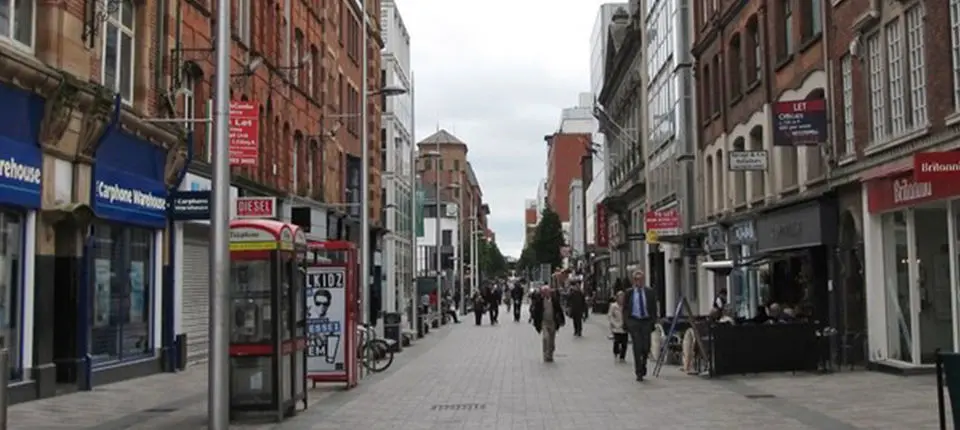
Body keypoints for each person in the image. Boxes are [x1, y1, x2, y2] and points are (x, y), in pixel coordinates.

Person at [622, 269, 659, 381]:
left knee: (646, 346)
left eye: (641, 279)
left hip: (646, 321)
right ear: (633, 281)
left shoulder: (650, 292)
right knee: (637, 346)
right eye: (636, 279)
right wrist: (627, 322)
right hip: (634, 321)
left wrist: (653, 321)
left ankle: (643, 363)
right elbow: (625, 308)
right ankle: (638, 371)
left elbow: (653, 308)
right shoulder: (629, 293)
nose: (639, 281)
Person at [530, 285, 565, 362]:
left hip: (552, 322)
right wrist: (534, 320)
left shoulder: (554, 300)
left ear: (549, 292)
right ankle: (545, 354)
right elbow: (535, 312)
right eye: (544, 292)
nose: (545, 293)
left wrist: (562, 320)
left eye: (547, 292)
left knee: (551, 341)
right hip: (544, 322)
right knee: (546, 337)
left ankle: (550, 354)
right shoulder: (540, 301)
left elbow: (559, 310)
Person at [608, 290, 627, 361]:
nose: (621, 299)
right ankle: (616, 352)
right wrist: (614, 323)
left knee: (624, 343)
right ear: (617, 298)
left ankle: (622, 357)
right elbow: (610, 315)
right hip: (616, 327)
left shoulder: (626, 306)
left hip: (624, 327)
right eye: (620, 297)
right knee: (617, 341)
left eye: (623, 297)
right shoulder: (613, 306)